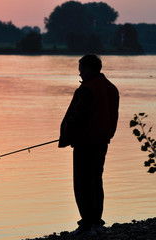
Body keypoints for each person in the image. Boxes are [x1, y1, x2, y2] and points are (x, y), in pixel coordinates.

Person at [59, 54, 119, 236]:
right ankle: (97, 223)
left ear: (87, 68)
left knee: (83, 183)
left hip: (85, 142)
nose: (79, 73)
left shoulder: (87, 89)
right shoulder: (110, 88)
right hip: (102, 141)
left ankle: (87, 225)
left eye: (81, 68)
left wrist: (69, 131)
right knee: (95, 181)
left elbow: (79, 116)